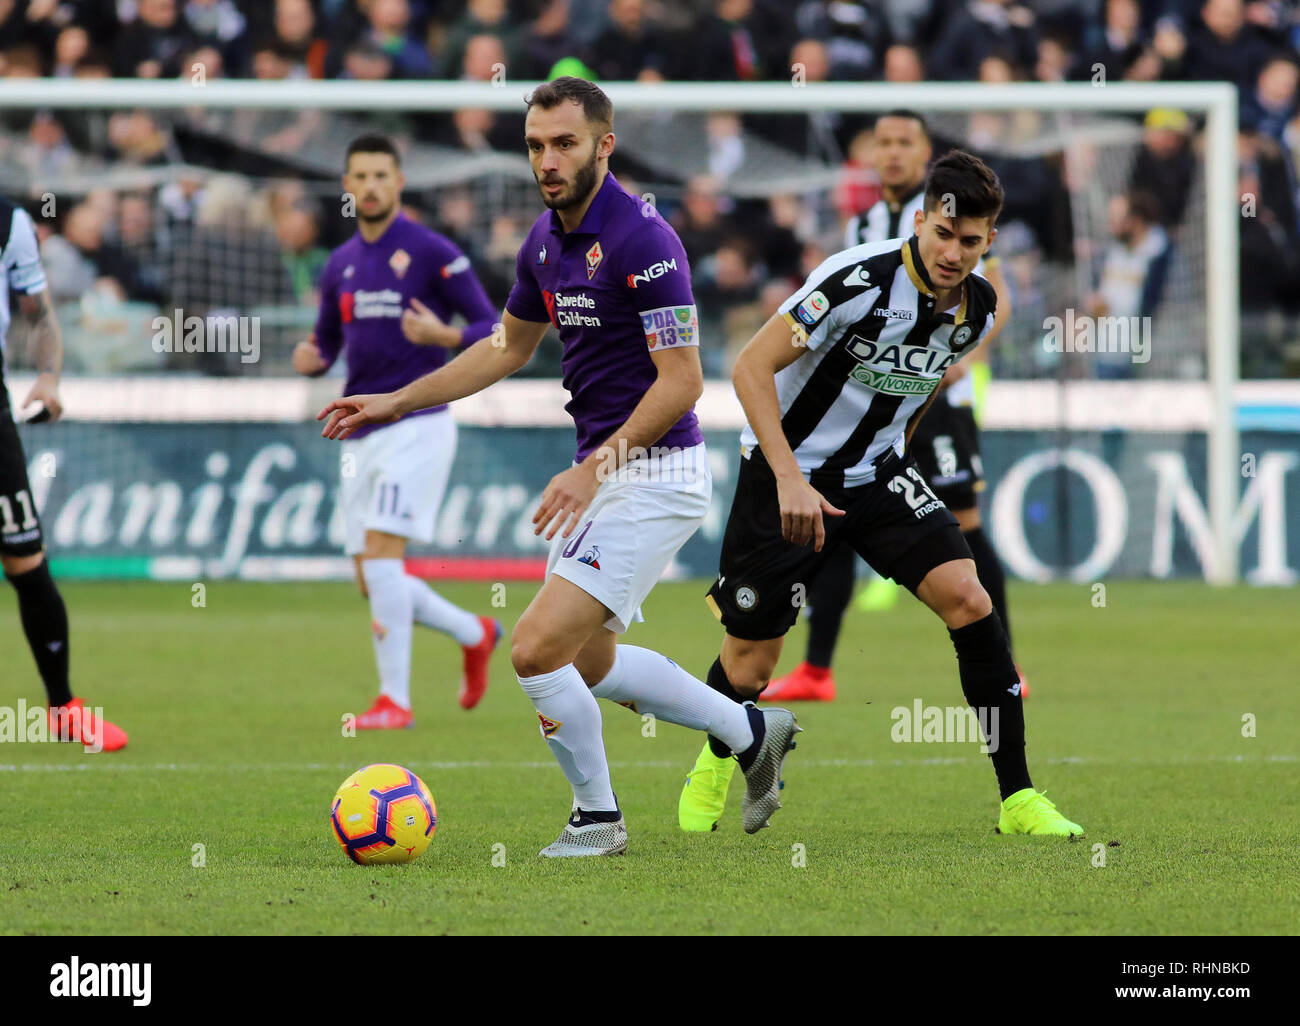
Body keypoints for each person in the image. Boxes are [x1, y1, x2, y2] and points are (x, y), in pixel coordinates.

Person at [318, 79, 798, 857]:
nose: (548, 158)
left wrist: (595, 469)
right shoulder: (543, 242)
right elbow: (506, 346)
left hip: (656, 471)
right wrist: (397, 400)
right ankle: (748, 730)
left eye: (565, 143)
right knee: (589, 662)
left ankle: (598, 820)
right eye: (537, 144)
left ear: (604, 145)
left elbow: (683, 379)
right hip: (603, 473)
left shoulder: (646, 239)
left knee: (535, 648)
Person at [677, 152, 1083, 838]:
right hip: (784, 474)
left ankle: (1018, 800)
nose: (954, 253)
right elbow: (750, 366)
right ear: (920, 220)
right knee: (751, 662)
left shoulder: (976, 310)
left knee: (970, 598)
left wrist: (892, 453)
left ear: (989, 243)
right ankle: (717, 760)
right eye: (944, 235)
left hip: (876, 476)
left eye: (972, 242)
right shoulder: (854, 280)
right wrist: (788, 478)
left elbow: (917, 391)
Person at [765, 110, 1018, 704]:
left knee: (967, 525)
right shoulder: (862, 225)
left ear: (925, 151)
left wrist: (960, 356)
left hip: (937, 395)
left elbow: (994, 299)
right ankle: (818, 669)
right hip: (867, 402)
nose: (895, 153)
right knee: (836, 525)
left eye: (906, 142)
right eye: (885, 143)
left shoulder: (960, 217)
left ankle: (1007, 658)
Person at [295, 135, 501, 729]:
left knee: (385, 560)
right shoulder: (340, 265)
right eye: (360, 175)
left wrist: (443, 338)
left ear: (400, 181)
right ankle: (474, 631)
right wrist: (309, 357)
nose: (371, 185)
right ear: (346, 186)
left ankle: (395, 702)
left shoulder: (432, 251)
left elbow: (494, 327)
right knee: (371, 579)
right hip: (360, 431)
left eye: (382, 174)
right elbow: (326, 345)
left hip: (418, 423)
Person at [1, 195, 128, 751]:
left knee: (26, 559)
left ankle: (63, 708)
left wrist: (49, 376)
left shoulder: (10, 220)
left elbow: (38, 310)